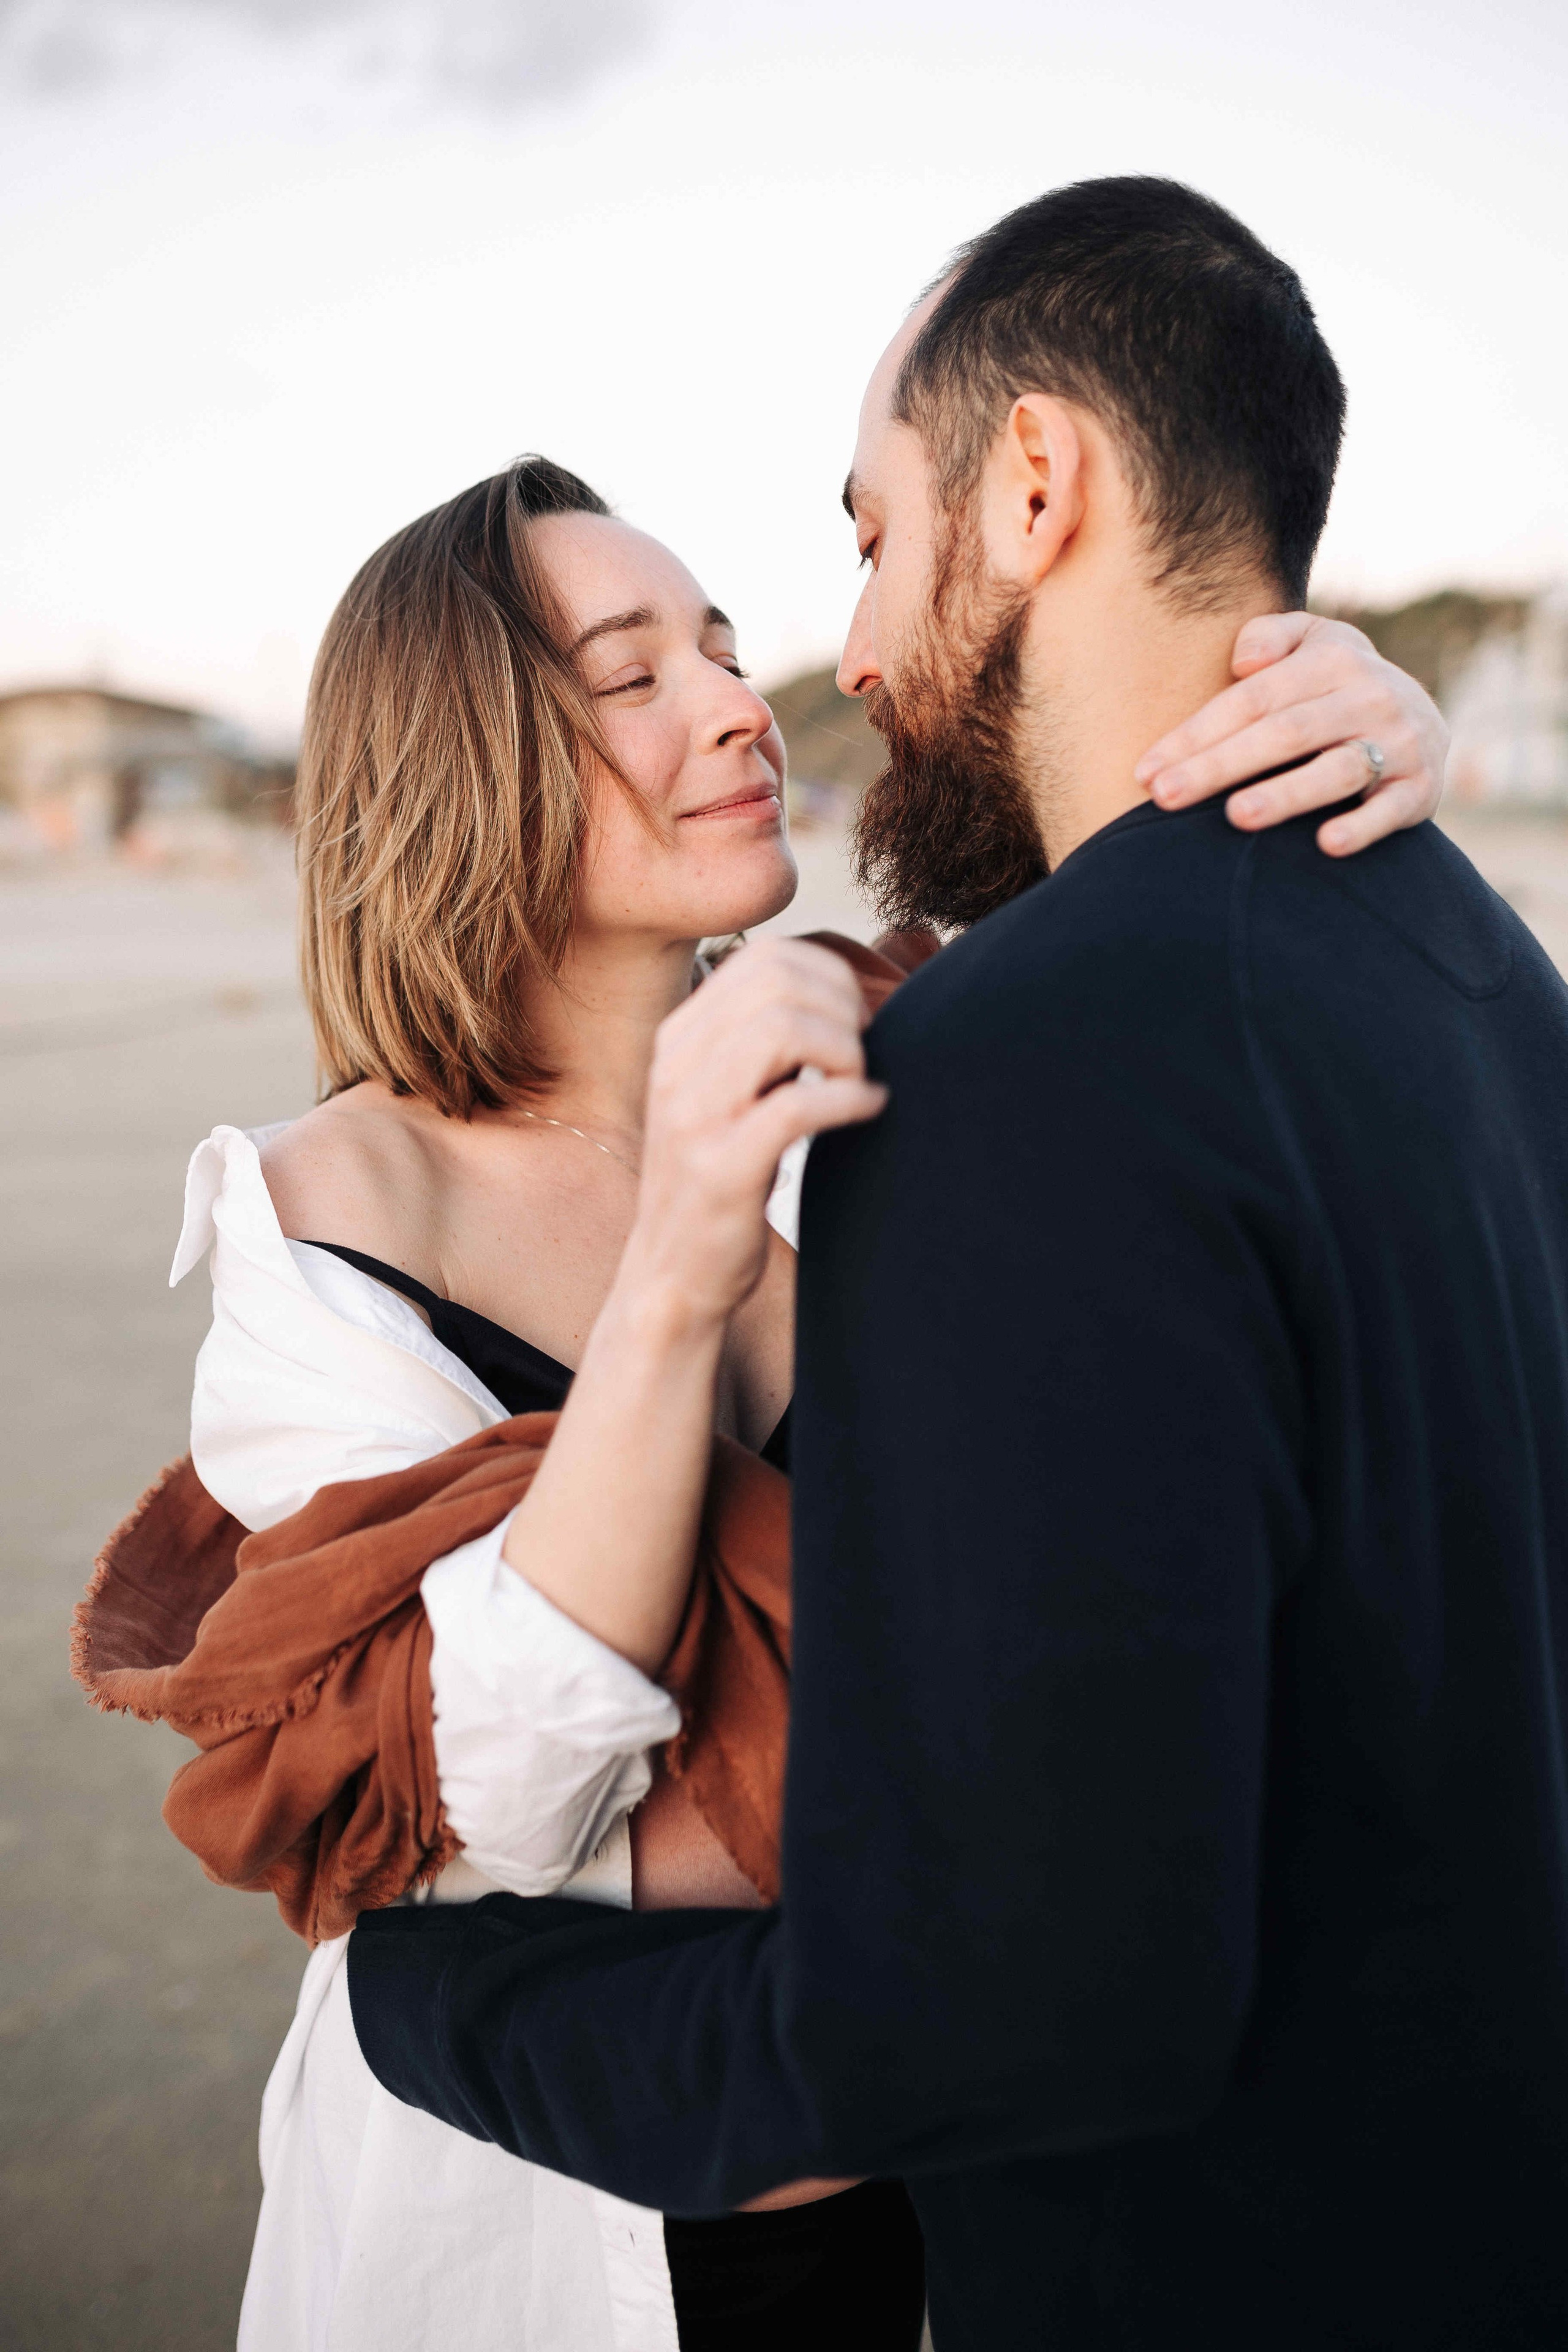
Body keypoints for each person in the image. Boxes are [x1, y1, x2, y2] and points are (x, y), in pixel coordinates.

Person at [343, 178, 1568, 2351]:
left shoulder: (1005, 1067)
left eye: (870, 537)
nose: (848, 658)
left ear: (1032, 486)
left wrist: (449, 1999)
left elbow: (996, 2010)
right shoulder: (1492, 974)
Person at [168, 440, 1438, 2341]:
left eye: (721, 644)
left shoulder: (896, 1055)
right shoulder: (320, 1222)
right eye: (633, 673)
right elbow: (484, 1801)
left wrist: (1360, 721)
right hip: (541, 2224)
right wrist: (681, 1260)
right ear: (458, 759)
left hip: (949, 2183)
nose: (735, 703)